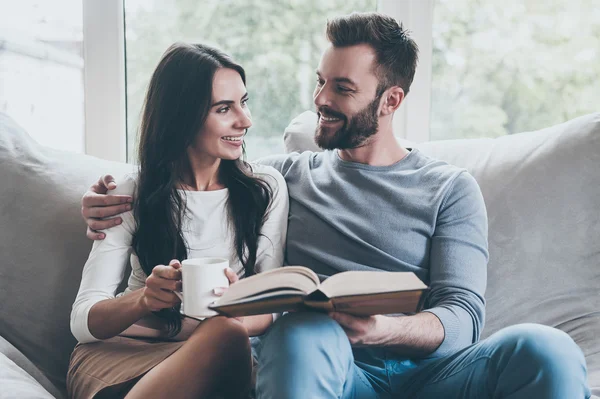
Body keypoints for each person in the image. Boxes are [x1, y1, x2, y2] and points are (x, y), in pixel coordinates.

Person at [80, 13, 590, 399]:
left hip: (434, 375)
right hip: (333, 367)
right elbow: (194, 169)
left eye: (342, 88)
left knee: (546, 348)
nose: (322, 98)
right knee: (301, 330)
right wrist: (104, 197)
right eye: (321, 81)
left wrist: (385, 329)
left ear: (390, 101)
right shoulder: (280, 178)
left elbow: (462, 316)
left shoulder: (450, 188)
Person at [68, 42, 288, 399]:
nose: (245, 121)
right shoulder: (131, 194)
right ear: (182, 118)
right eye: (223, 108)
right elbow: (83, 321)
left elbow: (274, 305)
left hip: (216, 351)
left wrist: (233, 310)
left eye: (243, 102)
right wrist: (144, 299)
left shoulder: (265, 189)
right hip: (122, 358)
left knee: (227, 335)